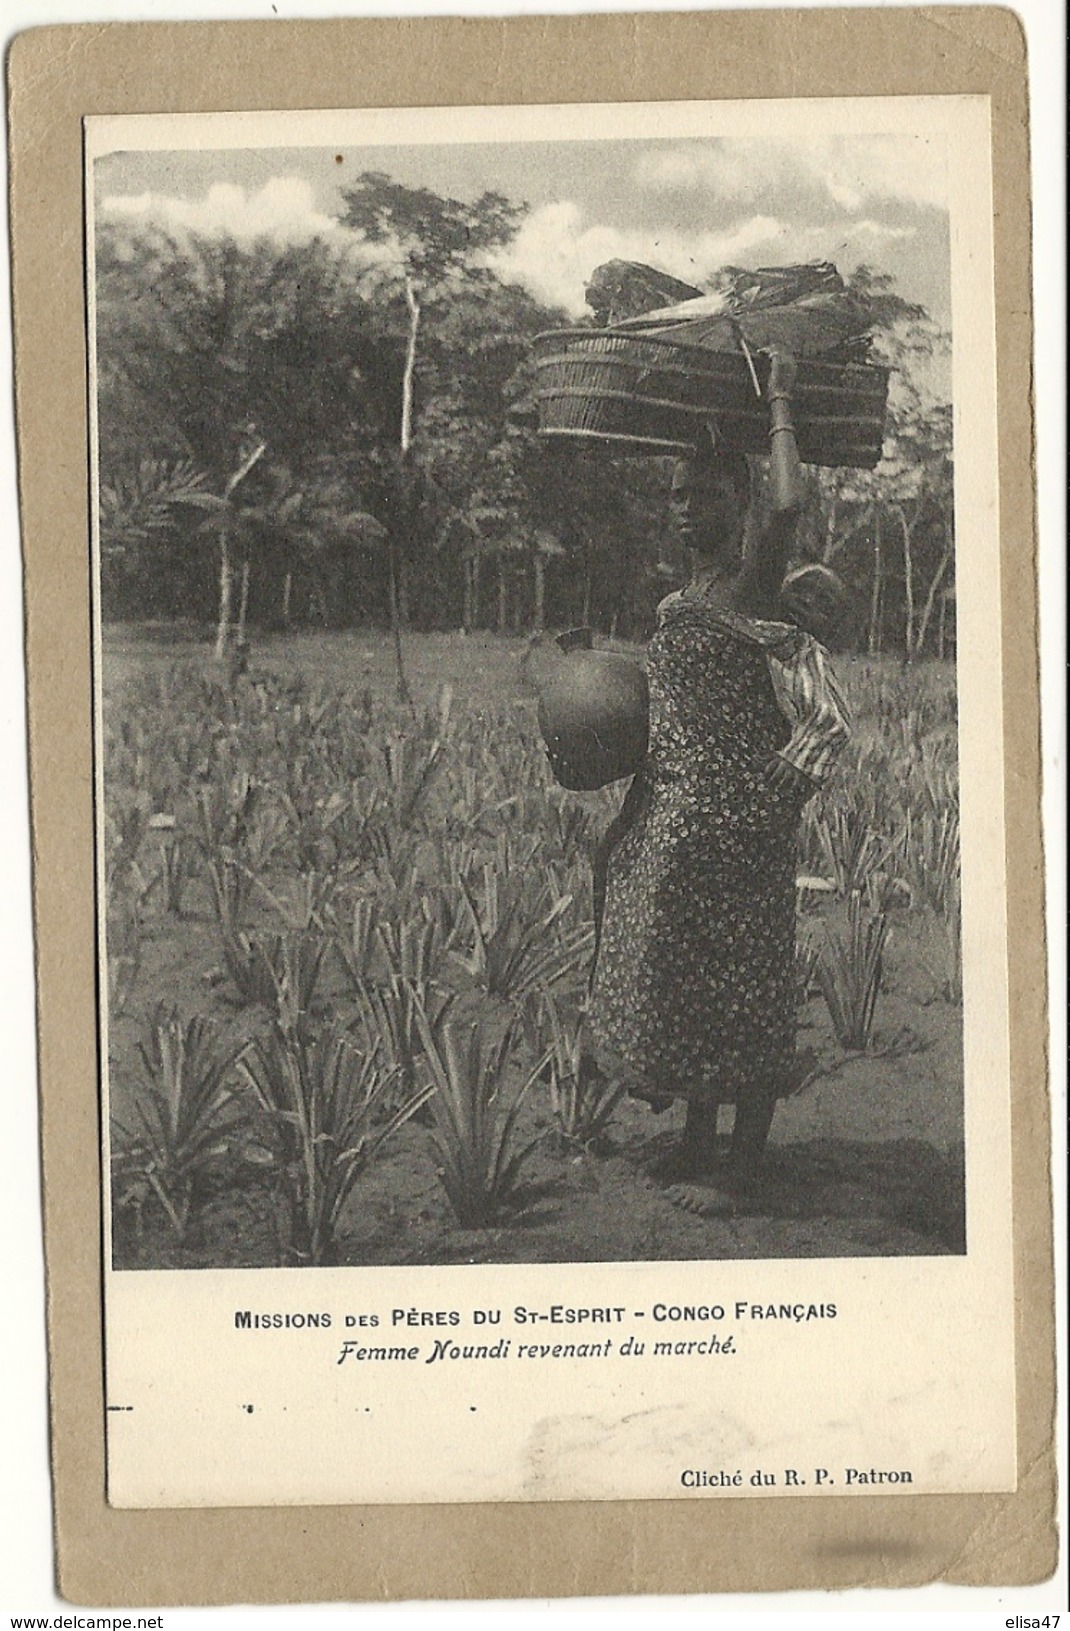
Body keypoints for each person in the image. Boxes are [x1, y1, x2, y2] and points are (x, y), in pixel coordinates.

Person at [585, 350, 849, 1189]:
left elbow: (788, 502)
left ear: (736, 503)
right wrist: (630, 814)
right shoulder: (683, 597)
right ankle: (700, 1142)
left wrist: (779, 397)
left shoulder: (750, 582)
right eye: (678, 497)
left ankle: (743, 1162)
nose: (687, 512)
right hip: (675, 817)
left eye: (705, 496)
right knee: (692, 981)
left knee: (748, 983)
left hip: (741, 821)